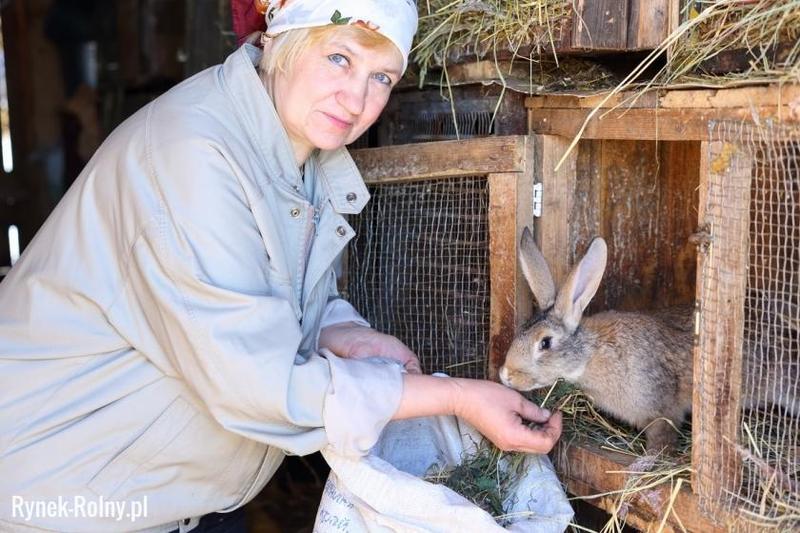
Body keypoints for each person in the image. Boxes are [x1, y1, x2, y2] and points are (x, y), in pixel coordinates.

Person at [0, 1, 562, 531]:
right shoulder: (191, 155)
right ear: (280, 40)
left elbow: (268, 289)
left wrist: (344, 334)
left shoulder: (296, 151)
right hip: (64, 502)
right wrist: (458, 397)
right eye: (338, 58)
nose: (356, 98)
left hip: (180, 500)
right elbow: (261, 384)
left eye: (382, 77)